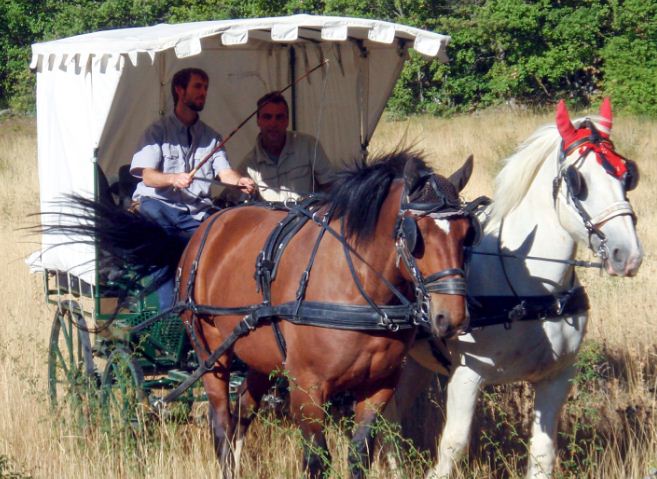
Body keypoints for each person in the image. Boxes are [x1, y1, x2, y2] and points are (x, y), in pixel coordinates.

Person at [130, 67, 255, 308]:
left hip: (195, 213)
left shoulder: (212, 137)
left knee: (228, 233)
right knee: (160, 230)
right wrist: (173, 178)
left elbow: (225, 173)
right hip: (161, 206)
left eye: (205, 88)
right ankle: (170, 313)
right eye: (198, 86)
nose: (203, 93)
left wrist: (239, 181)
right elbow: (148, 177)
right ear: (180, 90)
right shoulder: (157, 132)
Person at [240, 91, 335, 202]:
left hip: (307, 218)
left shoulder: (309, 145)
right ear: (258, 121)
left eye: (279, 117)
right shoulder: (249, 165)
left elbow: (331, 187)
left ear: (287, 121)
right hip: (271, 219)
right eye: (267, 117)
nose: (273, 123)